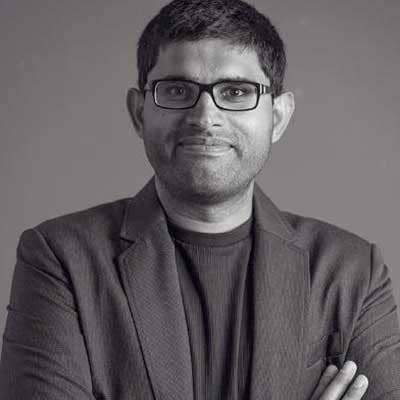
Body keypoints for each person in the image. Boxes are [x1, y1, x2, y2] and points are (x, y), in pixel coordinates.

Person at [1, 0, 399, 399]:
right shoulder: (60, 259)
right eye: (177, 90)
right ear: (139, 113)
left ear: (277, 117)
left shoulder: (353, 271)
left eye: (236, 91)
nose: (205, 117)